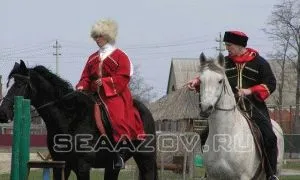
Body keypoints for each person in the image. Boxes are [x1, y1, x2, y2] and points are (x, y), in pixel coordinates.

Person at [187, 31, 278, 180]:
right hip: (229, 109)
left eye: (229, 45)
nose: (227, 48)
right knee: (203, 136)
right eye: (226, 45)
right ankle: (209, 171)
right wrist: (197, 81)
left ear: (240, 45)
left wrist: (250, 90)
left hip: (253, 108)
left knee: (269, 137)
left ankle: (271, 174)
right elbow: (211, 77)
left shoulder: (260, 63)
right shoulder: (225, 63)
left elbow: (271, 84)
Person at [76, 18, 145, 169]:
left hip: (114, 94)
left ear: (107, 36)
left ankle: (121, 151)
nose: (96, 39)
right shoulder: (92, 58)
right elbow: (86, 76)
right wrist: (82, 86)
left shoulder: (120, 56)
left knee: (117, 116)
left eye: (99, 36)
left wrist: (106, 82)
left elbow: (123, 76)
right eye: (95, 36)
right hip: (94, 94)